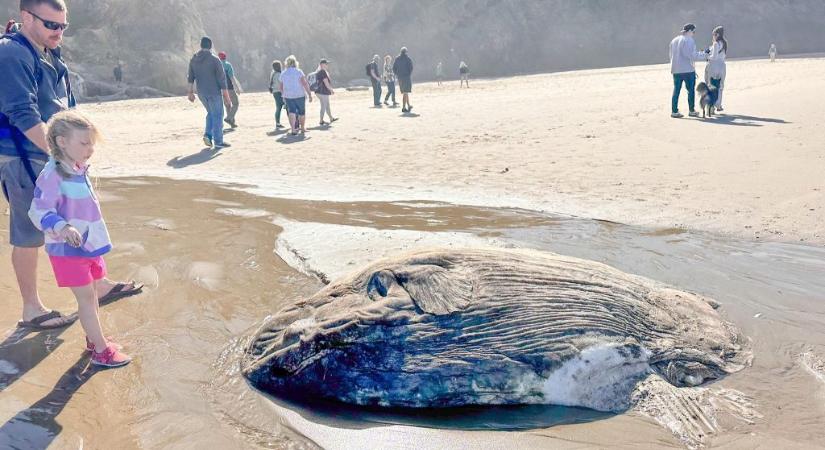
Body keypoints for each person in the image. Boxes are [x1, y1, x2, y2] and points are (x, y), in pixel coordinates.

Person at [1, 0, 141, 330]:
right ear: (26, 18)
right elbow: (23, 113)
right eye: (51, 25)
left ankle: (99, 284)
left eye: (63, 26)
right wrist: (61, 153)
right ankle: (32, 308)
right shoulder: (11, 53)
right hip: (25, 156)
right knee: (30, 231)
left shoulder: (48, 52)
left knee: (81, 215)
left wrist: (74, 150)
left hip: (54, 154)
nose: (59, 32)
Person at [28, 111, 131, 366]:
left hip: (88, 246)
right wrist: (62, 227)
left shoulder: (76, 168)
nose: (91, 149)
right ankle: (100, 351)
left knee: (93, 295)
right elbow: (38, 210)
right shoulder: (52, 174)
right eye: (84, 143)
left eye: (92, 143)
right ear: (62, 142)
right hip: (68, 250)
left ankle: (94, 339)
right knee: (86, 299)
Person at [187, 36, 232, 149]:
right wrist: (227, 98)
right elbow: (222, 81)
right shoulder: (215, 60)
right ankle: (218, 141)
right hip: (214, 92)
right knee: (218, 115)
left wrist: (190, 92)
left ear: (201, 46)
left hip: (201, 92)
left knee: (211, 113)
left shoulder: (194, 59)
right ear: (210, 46)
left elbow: (190, 77)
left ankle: (208, 135)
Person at [669, 23, 708, 118]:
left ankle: (674, 111)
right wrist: (704, 54)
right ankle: (691, 110)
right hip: (687, 69)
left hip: (676, 69)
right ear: (690, 31)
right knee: (690, 90)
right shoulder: (689, 40)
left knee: (676, 90)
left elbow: (671, 56)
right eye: (693, 31)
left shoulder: (674, 40)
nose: (694, 33)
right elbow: (691, 55)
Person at [279, 55, 313, 135]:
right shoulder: (298, 71)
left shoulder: (283, 73)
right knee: (302, 112)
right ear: (295, 63)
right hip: (299, 95)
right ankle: (302, 128)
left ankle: (293, 130)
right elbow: (304, 83)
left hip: (288, 96)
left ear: (286, 63)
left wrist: (283, 96)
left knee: (292, 112)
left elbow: (281, 87)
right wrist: (309, 94)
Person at [705, 26, 727, 111]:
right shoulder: (724, 43)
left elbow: (714, 57)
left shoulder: (716, 43)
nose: (713, 36)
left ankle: (711, 107)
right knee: (720, 86)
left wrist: (707, 56)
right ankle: (718, 105)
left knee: (710, 85)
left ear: (717, 34)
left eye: (713, 34)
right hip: (722, 65)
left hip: (713, 66)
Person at [218, 51, 242, 128]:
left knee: (227, 105)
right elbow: (232, 77)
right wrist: (237, 88)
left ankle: (232, 123)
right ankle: (229, 118)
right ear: (225, 57)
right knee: (235, 103)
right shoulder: (228, 65)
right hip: (229, 88)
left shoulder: (216, 65)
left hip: (221, 89)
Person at [315, 58, 337, 126]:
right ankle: (321, 120)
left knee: (327, 105)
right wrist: (331, 90)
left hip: (319, 92)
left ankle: (331, 118)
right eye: (326, 64)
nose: (327, 65)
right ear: (321, 65)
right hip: (322, 92)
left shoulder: (318, 71)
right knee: (324, 106)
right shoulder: (322, 72)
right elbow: (326, 82)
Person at [393, 47, 414, 113]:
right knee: (405, 92)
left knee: (405, 92)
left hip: (400, 77)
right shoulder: (408, 59)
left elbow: (394, 68)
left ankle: (408, 105)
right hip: (406, 77)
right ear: (406, 52)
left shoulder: (397, 59)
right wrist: (408, 74)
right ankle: (403, 108)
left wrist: (397, 74)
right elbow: (411, 68)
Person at [269, 60, 285, 129]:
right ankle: (293, 122)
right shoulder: (279, 74)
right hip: (280, 92)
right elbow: (282, 84)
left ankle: (277, 123)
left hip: (275, 92)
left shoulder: (273, 73)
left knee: (278, 107)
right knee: (287, 107)